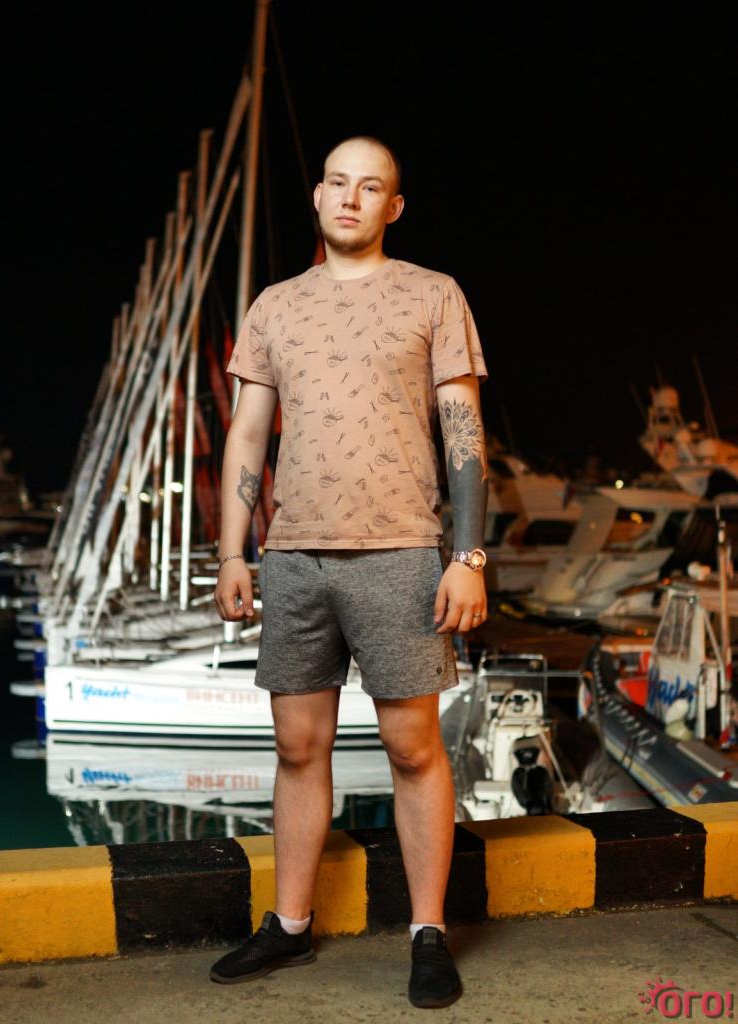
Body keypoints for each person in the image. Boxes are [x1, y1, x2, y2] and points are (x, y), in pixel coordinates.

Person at [209, 135, 489, 1010]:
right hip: (294, 556)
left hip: (401, 551)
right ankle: (290, 924)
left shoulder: (433, 294)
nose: (349, 198)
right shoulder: (276, 305)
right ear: (319, 195)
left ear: (391, 207)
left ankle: (427, 933)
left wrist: (468, 557)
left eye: (370, 188)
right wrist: (232, 551)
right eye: (337, 182)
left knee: (412, 748)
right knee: (298, 748)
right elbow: (247, 435)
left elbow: (464, 437)